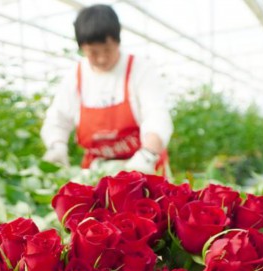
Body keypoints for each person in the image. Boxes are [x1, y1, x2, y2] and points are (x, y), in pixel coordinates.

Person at [41, 4, 173, 175]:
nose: (102, 59)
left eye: (107, 50)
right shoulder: (75, 76)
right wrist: (56, 145)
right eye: (93, 53)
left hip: (143, 164)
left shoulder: (140, 69)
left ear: (118, 41)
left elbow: (157, 115)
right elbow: (57, 119)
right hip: (98, 170)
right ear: (82, 48)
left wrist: (147, 154)